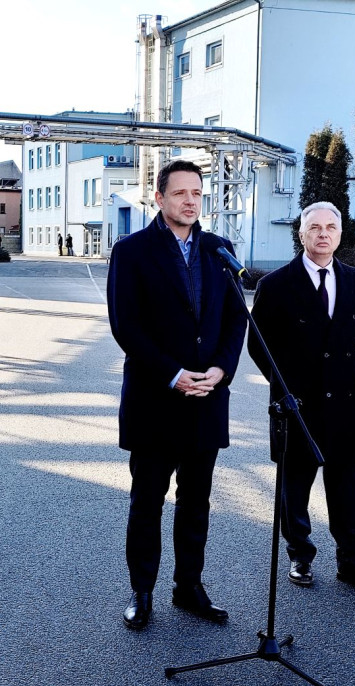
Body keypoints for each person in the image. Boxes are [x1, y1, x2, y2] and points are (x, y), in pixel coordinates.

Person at [107, 159, 247, 630]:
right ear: (159, 197)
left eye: (197, 193)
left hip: (207, 398)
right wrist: (174, 374)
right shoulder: (132, 252)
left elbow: (234, 320)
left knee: (197, 501)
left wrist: (221, 370)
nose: (190, 201)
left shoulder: (218, 249)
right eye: (181, 192)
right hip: (156, 399)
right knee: (147, 500)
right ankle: (141, 591)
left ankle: (189, 586)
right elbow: (127, 327)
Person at [248, 201, 355, 593]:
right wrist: (287, 388)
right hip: (299, 403)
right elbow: (259, 345)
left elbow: (349, 341)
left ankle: (354, 563)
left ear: (340, 234)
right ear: (302, 233)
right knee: (295, 487)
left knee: (348, 490)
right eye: (315, 227)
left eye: (331, 227)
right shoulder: (274, 285)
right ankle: (300, 556)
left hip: (345, 402)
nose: (323, 233)